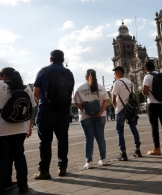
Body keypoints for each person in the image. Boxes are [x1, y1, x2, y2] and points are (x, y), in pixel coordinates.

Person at [33, 49, 74, 179]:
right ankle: (62, 167)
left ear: (50, 59)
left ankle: (44, 171)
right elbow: (69, 91)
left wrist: (44, 103)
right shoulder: (68, 73)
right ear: (63, 60)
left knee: (45, 141)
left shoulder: (43, 71)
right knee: (62, 140)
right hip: (63, 112)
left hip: (46, 111)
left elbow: (36, 93)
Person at [0, 68, 36, 194]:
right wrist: (29, 127)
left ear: (4, 76)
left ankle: (3, 184)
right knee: (19, 156)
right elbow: (31, 109)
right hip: (21, 127)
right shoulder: (25, 88)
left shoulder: (0, 85)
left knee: (4, 158)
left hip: (3, 128)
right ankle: (23, 185)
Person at [74, 69, 110, 169]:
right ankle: (103, 159)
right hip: (100, 116)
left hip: (85, 117)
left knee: (88, 138)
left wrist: (85, 111)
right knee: (100, 137)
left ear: (86, 77)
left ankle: (89, 161)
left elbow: (76, 102)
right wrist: (100, 112)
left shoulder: (80, 88)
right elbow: (107, 100)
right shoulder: (101, 87)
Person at [112, 66, 142, 161]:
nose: (114, 75)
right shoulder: (131, 83)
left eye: (114, 74)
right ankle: (137, 149)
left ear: (118, 73)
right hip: (130, 109)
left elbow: (113, 99)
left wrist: (115, 108)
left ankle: (123, 153)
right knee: (133, 127)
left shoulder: (117, 83)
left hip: (120, 110)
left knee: (119, 131)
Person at [142, 61, 162, 155]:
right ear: (154, 67)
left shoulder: (147, 77)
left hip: (152, 104)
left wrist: (147, 93)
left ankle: (157, 148)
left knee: (154, 127)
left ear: (146, 69)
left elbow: (145, 91)